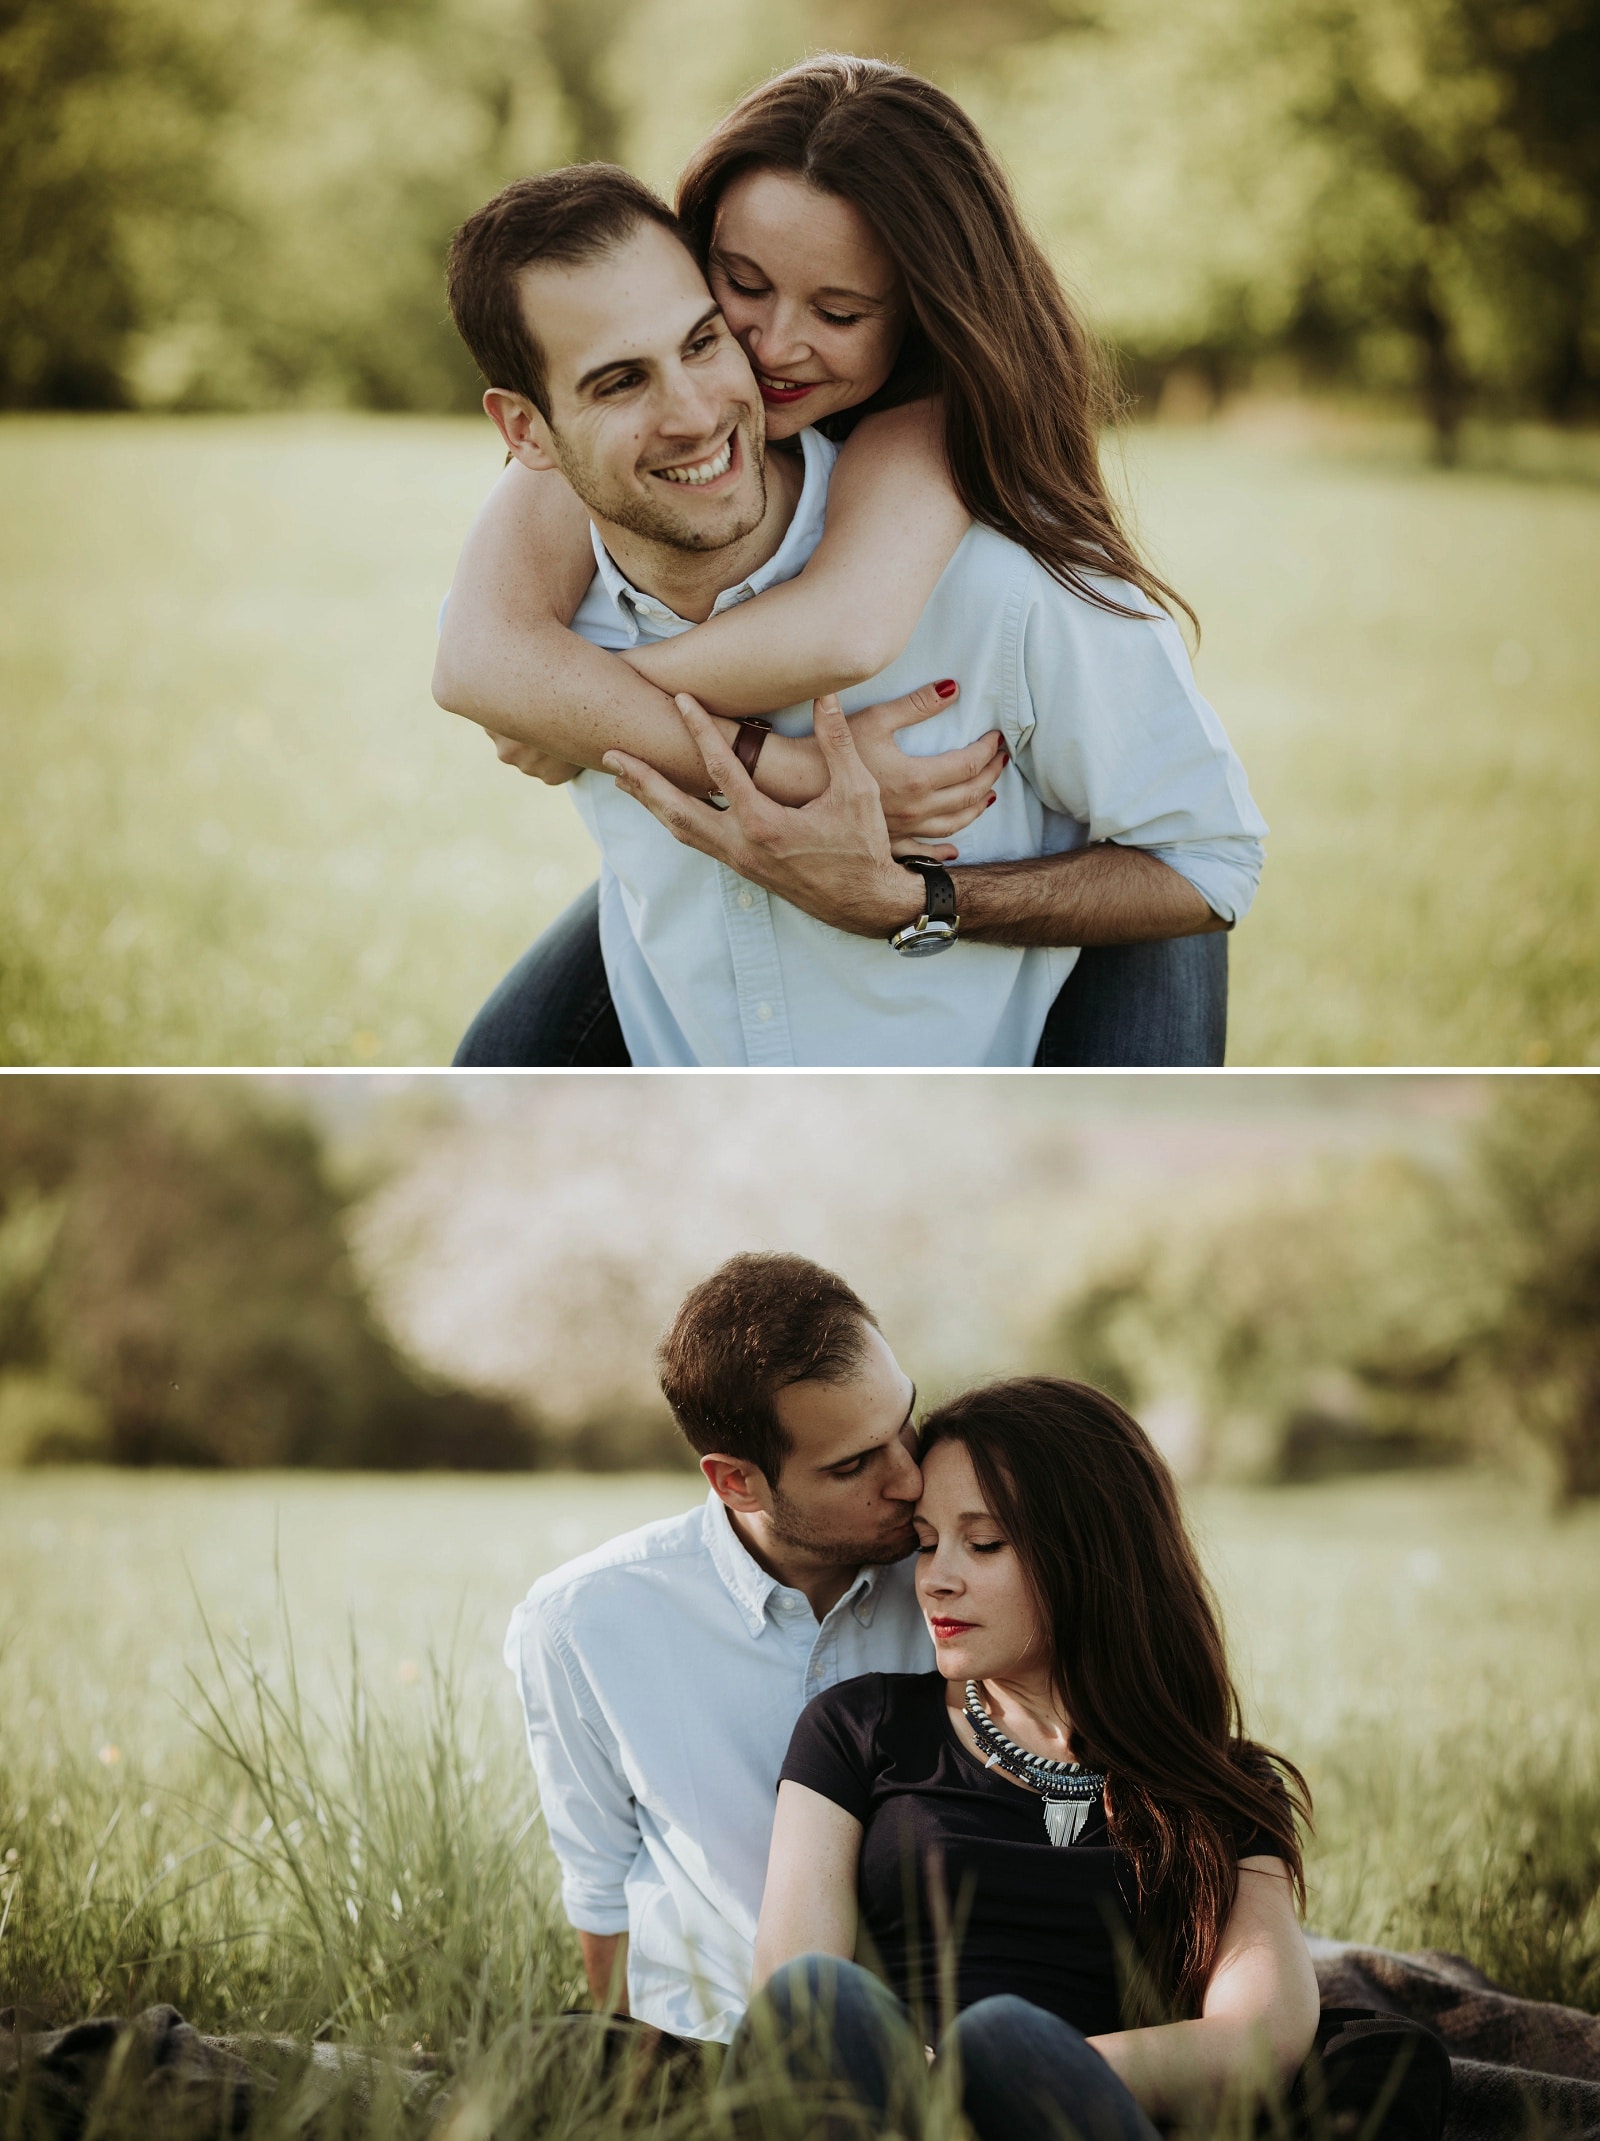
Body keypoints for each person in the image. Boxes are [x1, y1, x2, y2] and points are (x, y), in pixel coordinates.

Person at [435, 59, 1264, 1066]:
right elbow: (476, 659)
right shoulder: (597, 460)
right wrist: (748, 756)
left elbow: (848, 630)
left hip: (1017, 981)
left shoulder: (963, 488)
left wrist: (577, 711)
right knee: (498, 1062)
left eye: (838, 313)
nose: (773, 346)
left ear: (918, 317)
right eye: (740, 287)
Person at [735, 1377, 1319, 2140]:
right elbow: (792, 1987)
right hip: (879, 2108)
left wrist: (1013, 2071)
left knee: (1005, 2035)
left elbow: (1259, 2035)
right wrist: (939, 2084)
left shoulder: (1222, 1784)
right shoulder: (859, 1726)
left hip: (1071, 2111)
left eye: (983, 1543)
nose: (938, 1576)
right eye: (925, 1541)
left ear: (1092, 1555)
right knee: (819, 1994)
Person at [502, 1253, 935, 2045]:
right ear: (736, 1481)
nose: (910, 1477)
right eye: (854, 1464)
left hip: (944, 2064)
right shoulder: (581, 1624)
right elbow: (600, 1884)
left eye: (905, 1419)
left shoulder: (968, 1578)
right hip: (710, 2052)